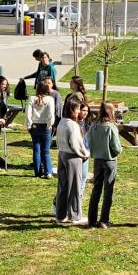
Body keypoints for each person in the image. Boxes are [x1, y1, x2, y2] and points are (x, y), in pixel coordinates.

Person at [54, 94, 89, 225]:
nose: (79, 112)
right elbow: (77, 145)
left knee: (62, 186)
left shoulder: (62, 122)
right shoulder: (72, 125)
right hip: (73, 158)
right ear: (71, 110)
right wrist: (86, 154)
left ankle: (61, 215)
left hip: (62, 154)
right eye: (77, 109)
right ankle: (75, 216)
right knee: (74, 187)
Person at [86, 102, 120, 228]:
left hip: (97, 160)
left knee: (96, 189)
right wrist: (116, 152)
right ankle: (104, 220)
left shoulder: (93, 125)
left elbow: (89, 141)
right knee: (108, 190)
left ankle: (91, 220)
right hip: (110, 160)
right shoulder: (111, 127)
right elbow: (116, 147)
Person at [26, 79, 57, 178]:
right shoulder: (49, 99)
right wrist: (50, 124)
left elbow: (28, 112)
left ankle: (37, 172)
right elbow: (51, 114)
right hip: (45, 126)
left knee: (36, 149)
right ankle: (48, 171)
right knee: (46, 150)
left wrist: (29, 124)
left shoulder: (32, 98)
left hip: (35, 125)